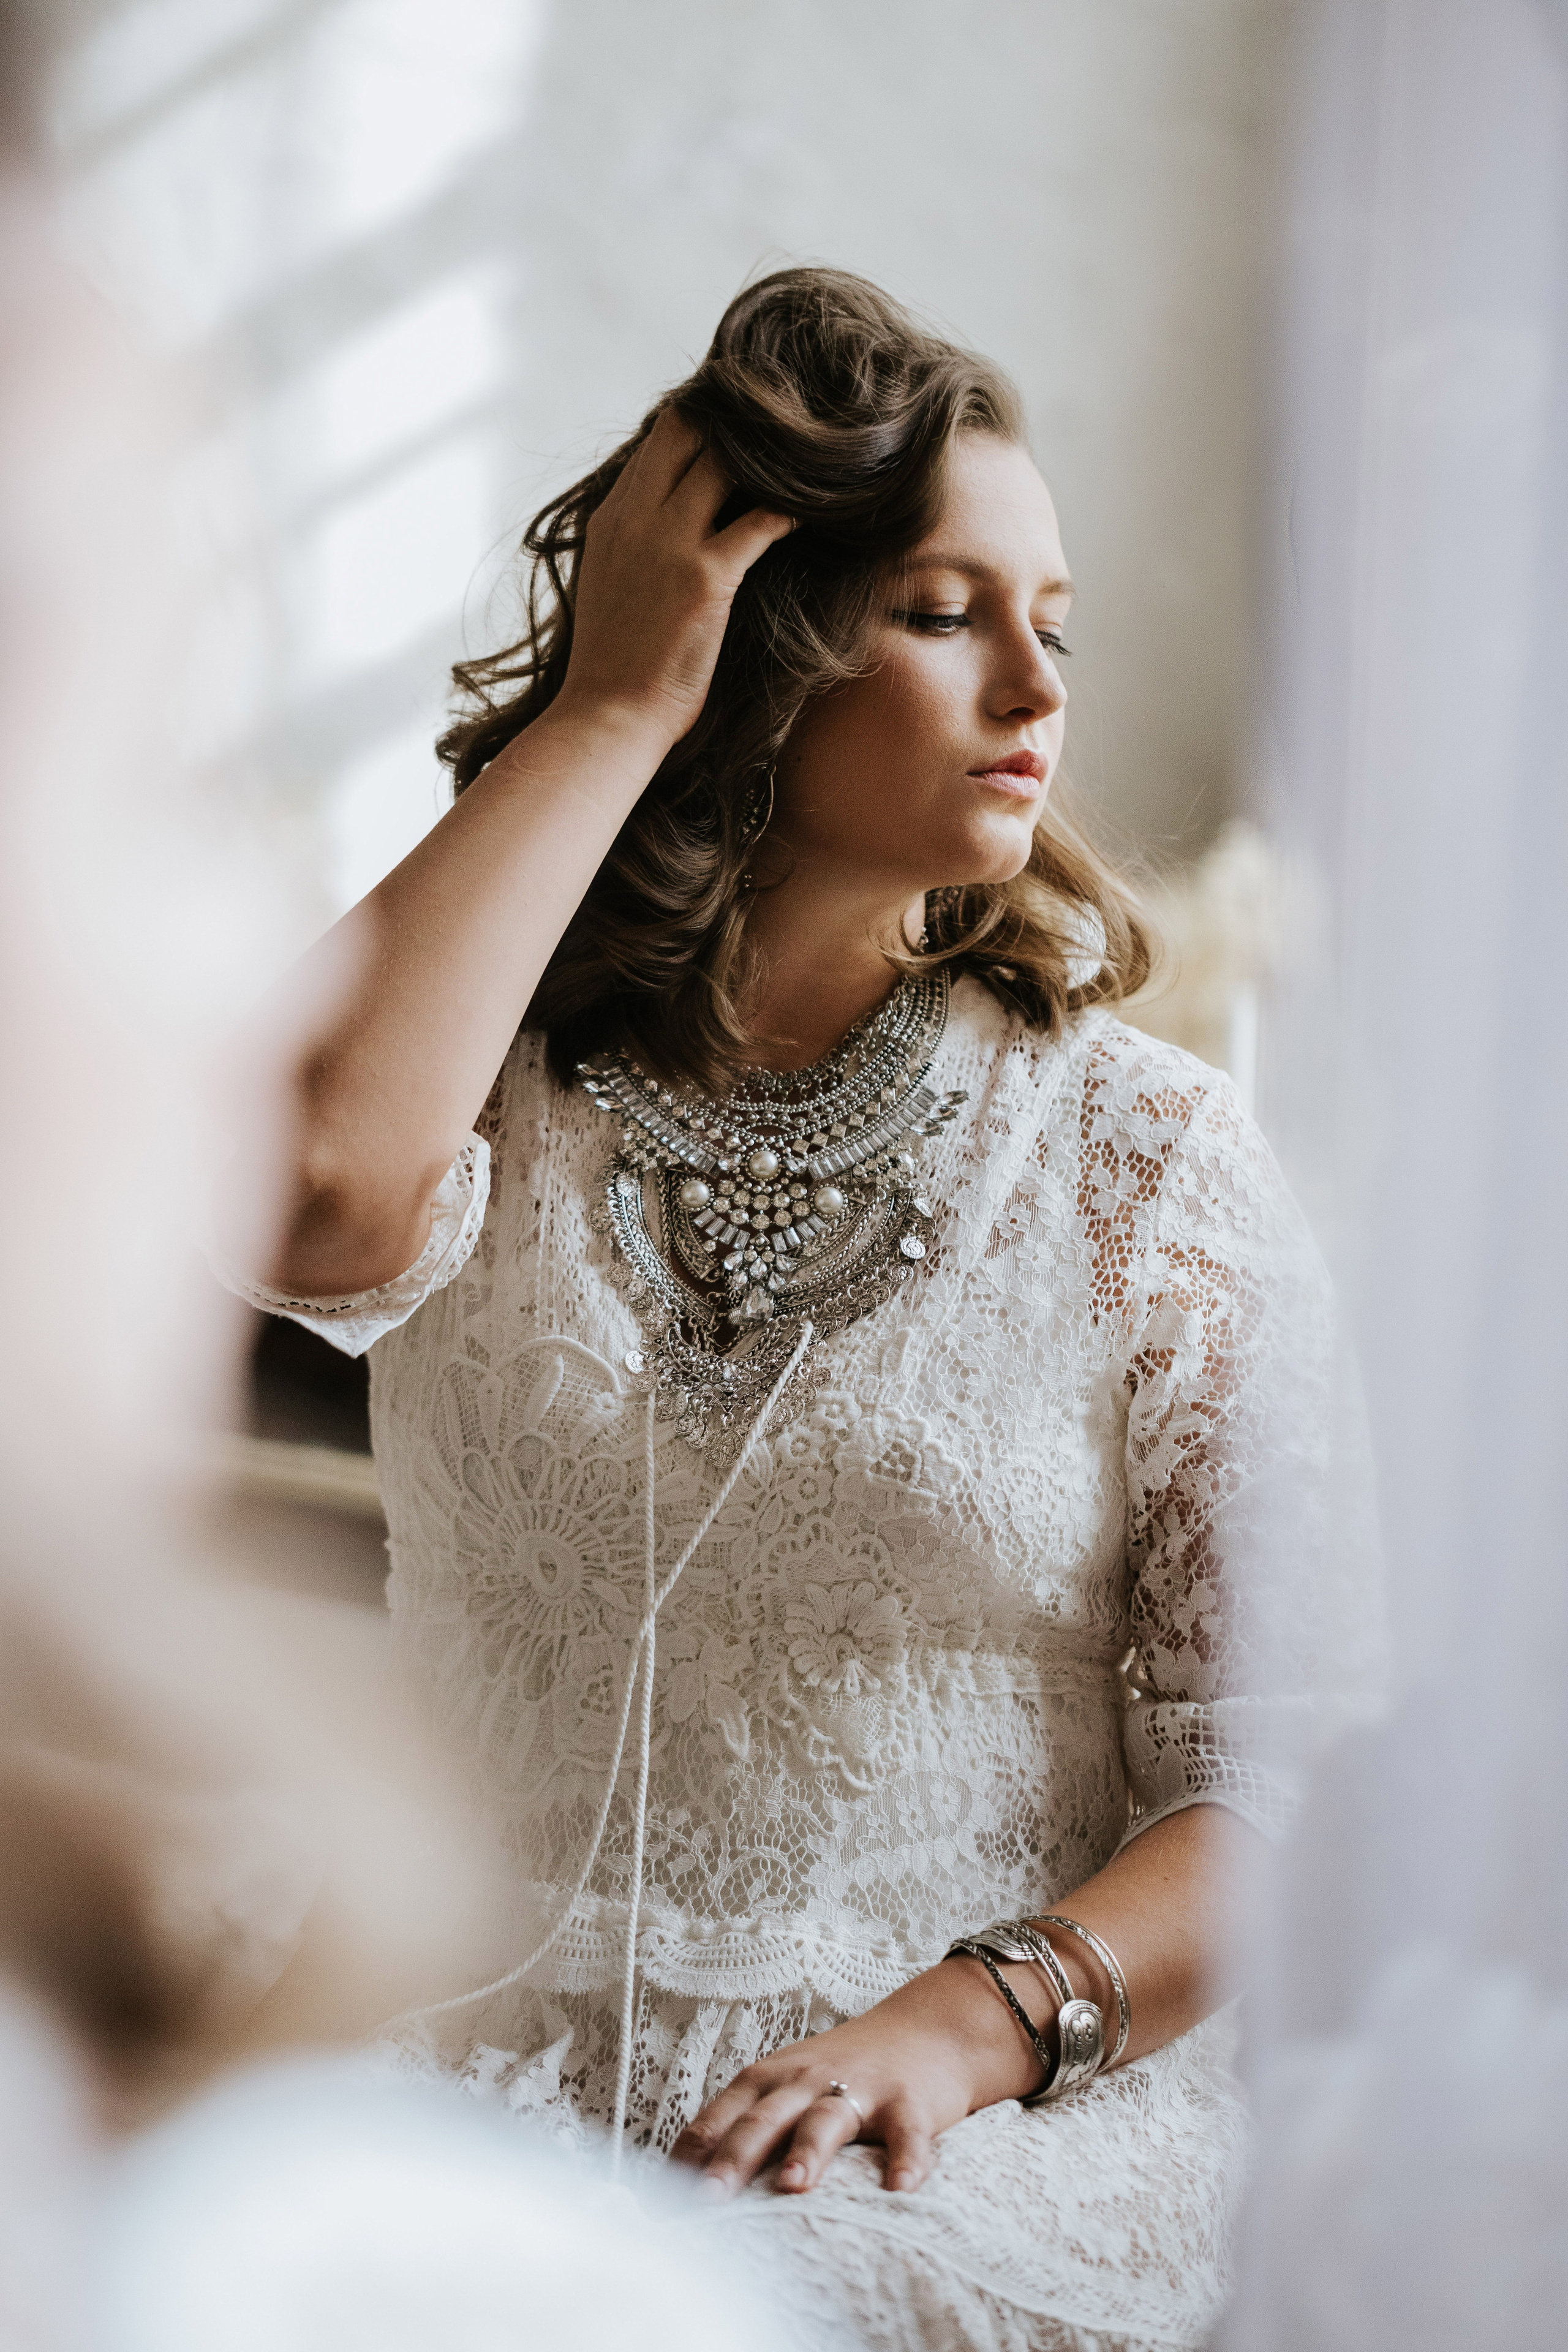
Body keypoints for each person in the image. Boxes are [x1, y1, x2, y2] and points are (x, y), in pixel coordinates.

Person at [228, 268, 1337, 2350]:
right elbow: (300, 1198)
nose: (1036, 684)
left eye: (1056, 623)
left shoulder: (1148, 1163)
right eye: (942, 612)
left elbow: (1279, 1781)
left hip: (960, 2125)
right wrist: (611, 709)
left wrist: (963, 2024)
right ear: (752, 644)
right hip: (442, 2062)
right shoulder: (485, 1085)